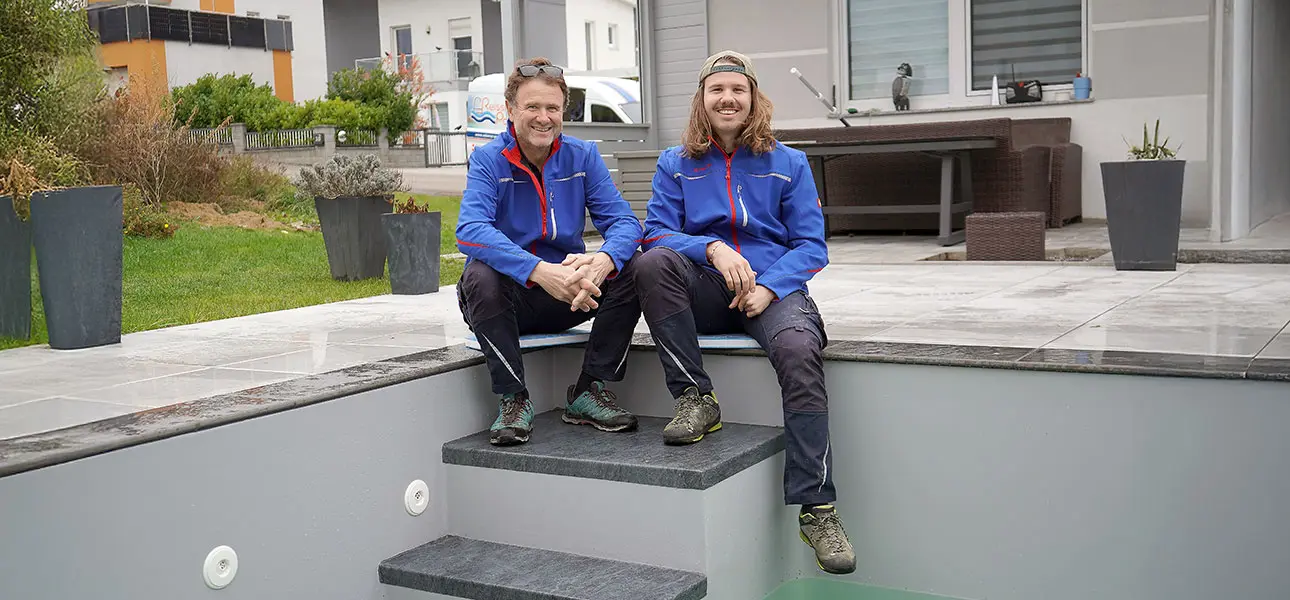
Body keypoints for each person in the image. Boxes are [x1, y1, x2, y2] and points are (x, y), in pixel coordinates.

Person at [632, 51, 855, 575]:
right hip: (707, 287)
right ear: (702, 100)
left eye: (738, 89)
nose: (727, 98)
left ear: (754, 97)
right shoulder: (675, 163)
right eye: (716, 90)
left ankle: (816, 506)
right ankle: (696, 398)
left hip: (770, 293)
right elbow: (657, 231)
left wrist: (771, 287)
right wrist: (711, 248)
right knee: (650, 264)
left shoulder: (789, 163)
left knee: (801, 351)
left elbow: (811, 245)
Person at [455, 57, 644, 446]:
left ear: (563, 112)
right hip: (507, 300)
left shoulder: (583, 156)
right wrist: (540, 270)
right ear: (510, 110)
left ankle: (590, 391)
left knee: (637, 266)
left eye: (553, 108)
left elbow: (626, 224)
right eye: (532, 107)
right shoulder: (489, 160)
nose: (544, 118)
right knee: (479, 274)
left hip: (570, 296)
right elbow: (470, 231)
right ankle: (513, 398)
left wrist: (602, 260)